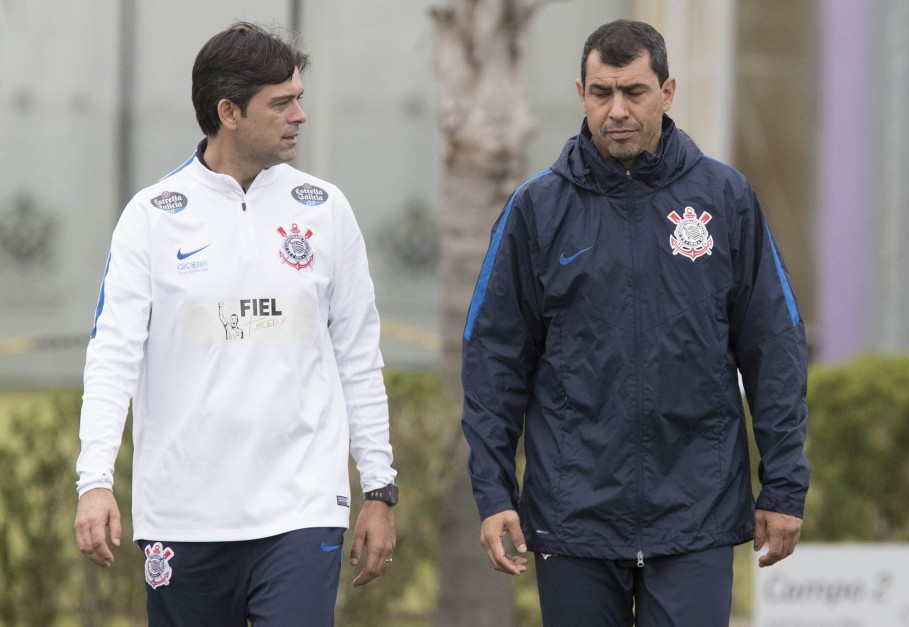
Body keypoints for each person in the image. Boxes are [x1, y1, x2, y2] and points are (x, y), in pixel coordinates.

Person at [461, 19, 809, 626]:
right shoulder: (536, 210)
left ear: (667, 92)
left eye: (634, 92)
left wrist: (783, 487)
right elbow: (492, 360)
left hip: (694, 515)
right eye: (602, 93)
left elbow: (773, 346)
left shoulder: (725, 199)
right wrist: (493, 494)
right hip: (573, 516)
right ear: (581, 94)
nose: (616, 110)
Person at [74, 22, 398, 627]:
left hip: (303, 509)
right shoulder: (151, 217)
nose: (300, 115)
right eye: (282, 102)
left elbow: (359, 355)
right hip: (184, 515)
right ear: (228, 111)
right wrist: (93, 481)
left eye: (298, 97)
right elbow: (112, 356)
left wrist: (379, 489)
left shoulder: (326, 210)